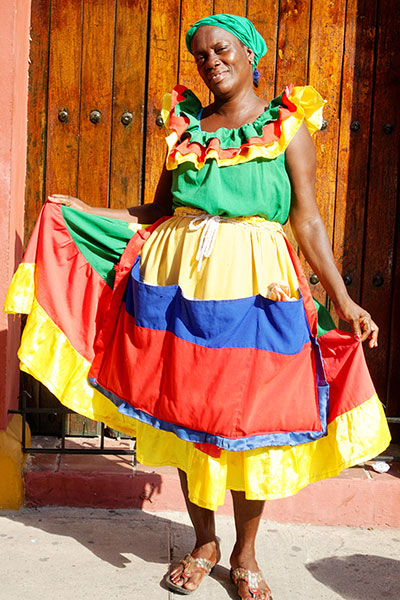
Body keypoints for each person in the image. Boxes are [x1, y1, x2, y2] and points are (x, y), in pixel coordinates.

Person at [13, 13, 389, 600]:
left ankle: (245, 551)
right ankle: (204, 542)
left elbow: (308, 219)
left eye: (222, 49)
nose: (211, 62)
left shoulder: (286, 127)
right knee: (189, 415)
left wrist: (343, 298)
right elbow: (155, 212)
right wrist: (86, 209)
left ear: (249, 53)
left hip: (258, 289)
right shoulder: (186, 126)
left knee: (253, 422)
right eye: (200, 55)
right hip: (179, 284)